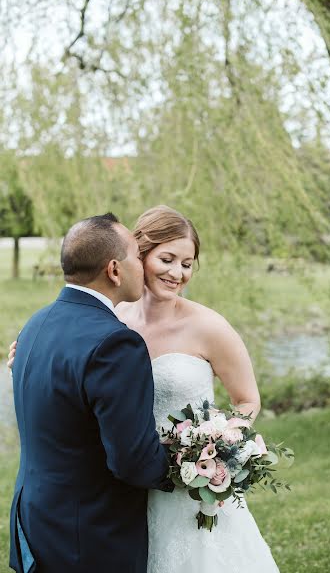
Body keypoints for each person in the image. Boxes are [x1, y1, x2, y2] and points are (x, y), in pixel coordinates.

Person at [9, 205, 280, 573]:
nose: (177, 273)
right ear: (134, 258)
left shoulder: (210, 327)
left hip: (183, 489)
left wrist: (214, 452)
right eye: (166, 259)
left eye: (187, 263)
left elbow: (246, 400)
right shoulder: (111, 327)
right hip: (126, 486)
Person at [8, 213, 171, 573]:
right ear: (114, 270)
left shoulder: (36, 322)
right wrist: (193, 466)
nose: (143, 265)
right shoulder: (116, 344)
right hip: (90, 537)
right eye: (136, 256)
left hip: (35, 520)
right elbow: (132, 461)